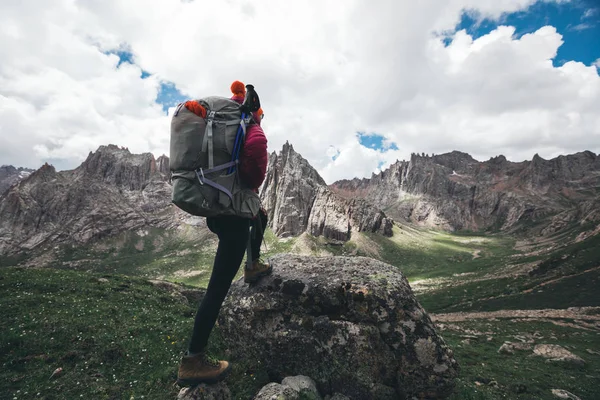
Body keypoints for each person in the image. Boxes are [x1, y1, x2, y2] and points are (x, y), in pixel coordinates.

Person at [177, 81, 272, 386]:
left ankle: (253, 263)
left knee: (260, 212)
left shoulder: (224, 123)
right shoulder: (252, 130)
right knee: (217, 288)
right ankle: (193, 360)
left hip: (216, 204)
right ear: (255, 111)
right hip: (231, 216)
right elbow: (255, 172)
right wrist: (249, 177)